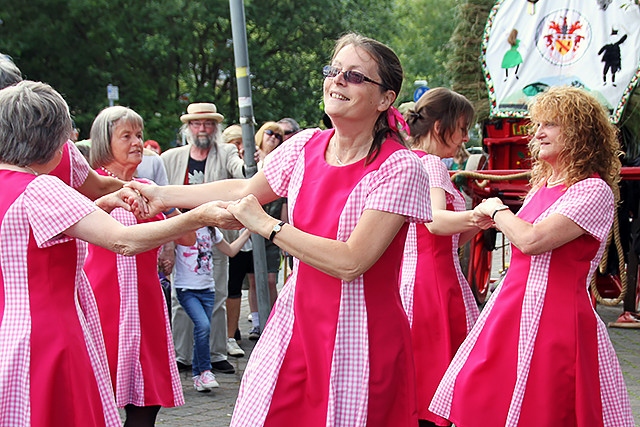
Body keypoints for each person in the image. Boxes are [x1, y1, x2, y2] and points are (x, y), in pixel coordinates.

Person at [128, 32, 432, 426]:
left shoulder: (399, 166)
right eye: (334, 70)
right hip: (296, 326)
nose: (338, 81)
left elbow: (351, 261)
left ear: (385, 99)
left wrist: (270, 226)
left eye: (355, 76)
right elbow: (242, 192)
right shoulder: (305, 145)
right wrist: (163, 195)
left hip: (361, 337)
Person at [0, 80, 229, 427]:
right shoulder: (42, 188)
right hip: (51, 334)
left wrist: (107, 202)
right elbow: (123, 240)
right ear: (52, 140)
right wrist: (200, 215)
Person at [430, 86, 635, 426]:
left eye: (550, 124)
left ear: (579, 133)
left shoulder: (591, 188)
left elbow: (532, 240)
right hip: (512, 306)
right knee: (476, 391)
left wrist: (496, 210)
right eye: (538, 124)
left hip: (555, 317)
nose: (538, 132)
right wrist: (480, 218)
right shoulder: (543, 186)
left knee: (543, 408)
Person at [84, 106, 197, 426]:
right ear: (104, 142)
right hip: (101, 303)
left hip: (145, 303)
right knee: (94, 392)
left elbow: (188, 238)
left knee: (147, 401)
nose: (138, 142)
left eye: (139, 135)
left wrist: (171, 206)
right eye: (127, 136)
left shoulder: (148, 186)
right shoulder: (87, 187)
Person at [402, 87, 482, 427]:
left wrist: (476, 222)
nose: (465, 137)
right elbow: (435, 222)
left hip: (416, 277)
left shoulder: (409, 160)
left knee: (419, 380)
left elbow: (446, 233)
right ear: (439, 128)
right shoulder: (432, 163)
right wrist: (486, 215)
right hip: (434, 283)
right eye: (462, 128)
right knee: (439, 385)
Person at [161, 102, 245, 375]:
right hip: (180, 235)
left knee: (217, 295)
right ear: (188, 127)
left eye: (208, 124)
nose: (202, 129)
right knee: (180, 297)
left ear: (215, 127)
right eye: (197, 124)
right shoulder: (171, 157)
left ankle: (216, 352)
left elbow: (241, 171)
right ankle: (180, 355)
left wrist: (254, 166)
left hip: (214, 234)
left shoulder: (227, 152)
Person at [0, 52, 127, 200]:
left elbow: (100, 187)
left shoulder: (58, 145)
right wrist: (141, 190)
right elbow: (99, 187)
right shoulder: (56, 144)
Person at [174, 225, 251, 390]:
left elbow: (230, 250)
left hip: (207, 290)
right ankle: (205, 370)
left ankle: (197, 375)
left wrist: (248, 232)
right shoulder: (181, 228)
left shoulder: (212, 231)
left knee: (203, 330)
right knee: (203, 326)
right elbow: (165, 247)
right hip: (187, 289)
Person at [248, 121, 288, 340]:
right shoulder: (249, 161)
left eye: (279, 136)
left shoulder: (281, 163)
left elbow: (283, 203)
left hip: (272, 226)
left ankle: (273, 320)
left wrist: (285, 234)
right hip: (250, 229)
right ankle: (256, 321)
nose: (274, 138)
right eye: (270, 133)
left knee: (271, 279)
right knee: (254, 279)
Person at [222, 123, 252, 356]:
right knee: (230, 288)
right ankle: (228, 335)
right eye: (235, 144)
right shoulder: (225, 159)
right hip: (228, 235)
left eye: (243, 143)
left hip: (247, 238)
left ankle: (233, 332)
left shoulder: (246, 163)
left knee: (244, 287)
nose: (240, 148)